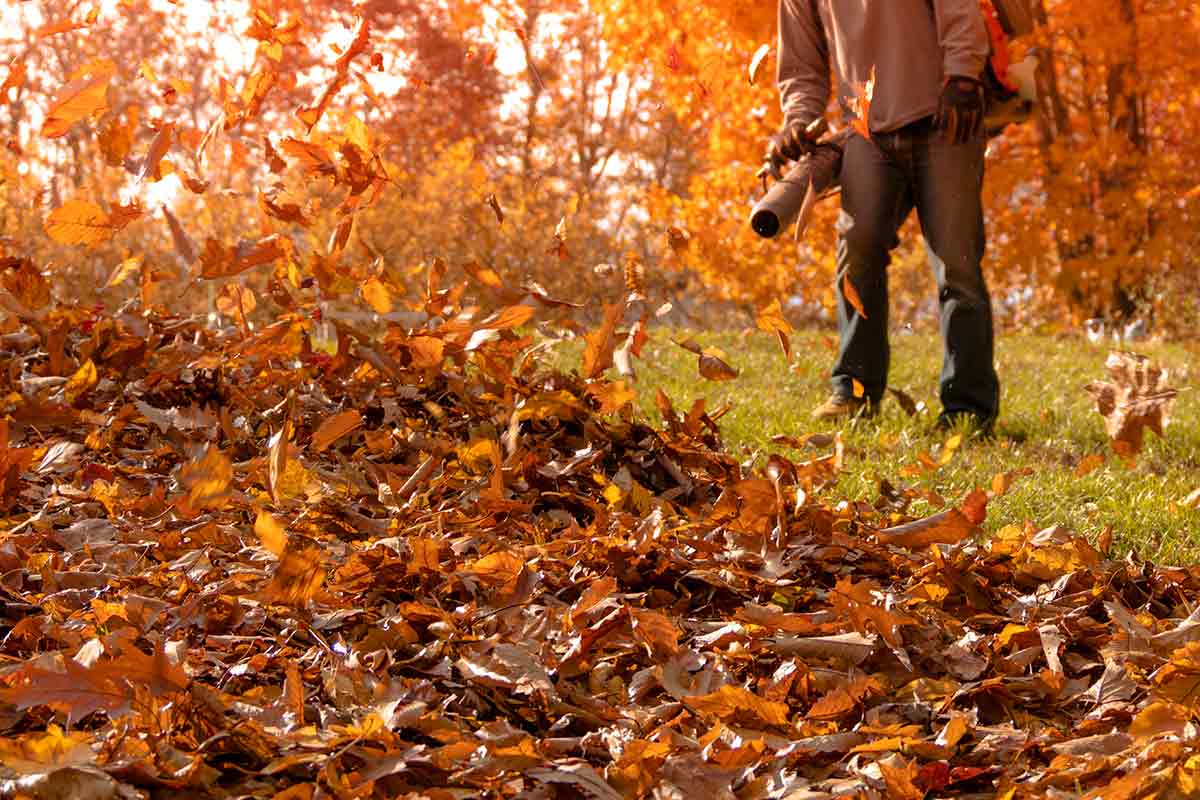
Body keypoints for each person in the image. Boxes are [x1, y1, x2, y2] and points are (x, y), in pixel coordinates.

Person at [768, 0, 1001, 428]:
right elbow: (802, 66)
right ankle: (854, 392)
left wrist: (964, 74)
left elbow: (959, 7)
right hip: (865, 130)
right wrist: (799, 121)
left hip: (945, 116)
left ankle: (968, 407)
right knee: (858, 251)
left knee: (958, 264)